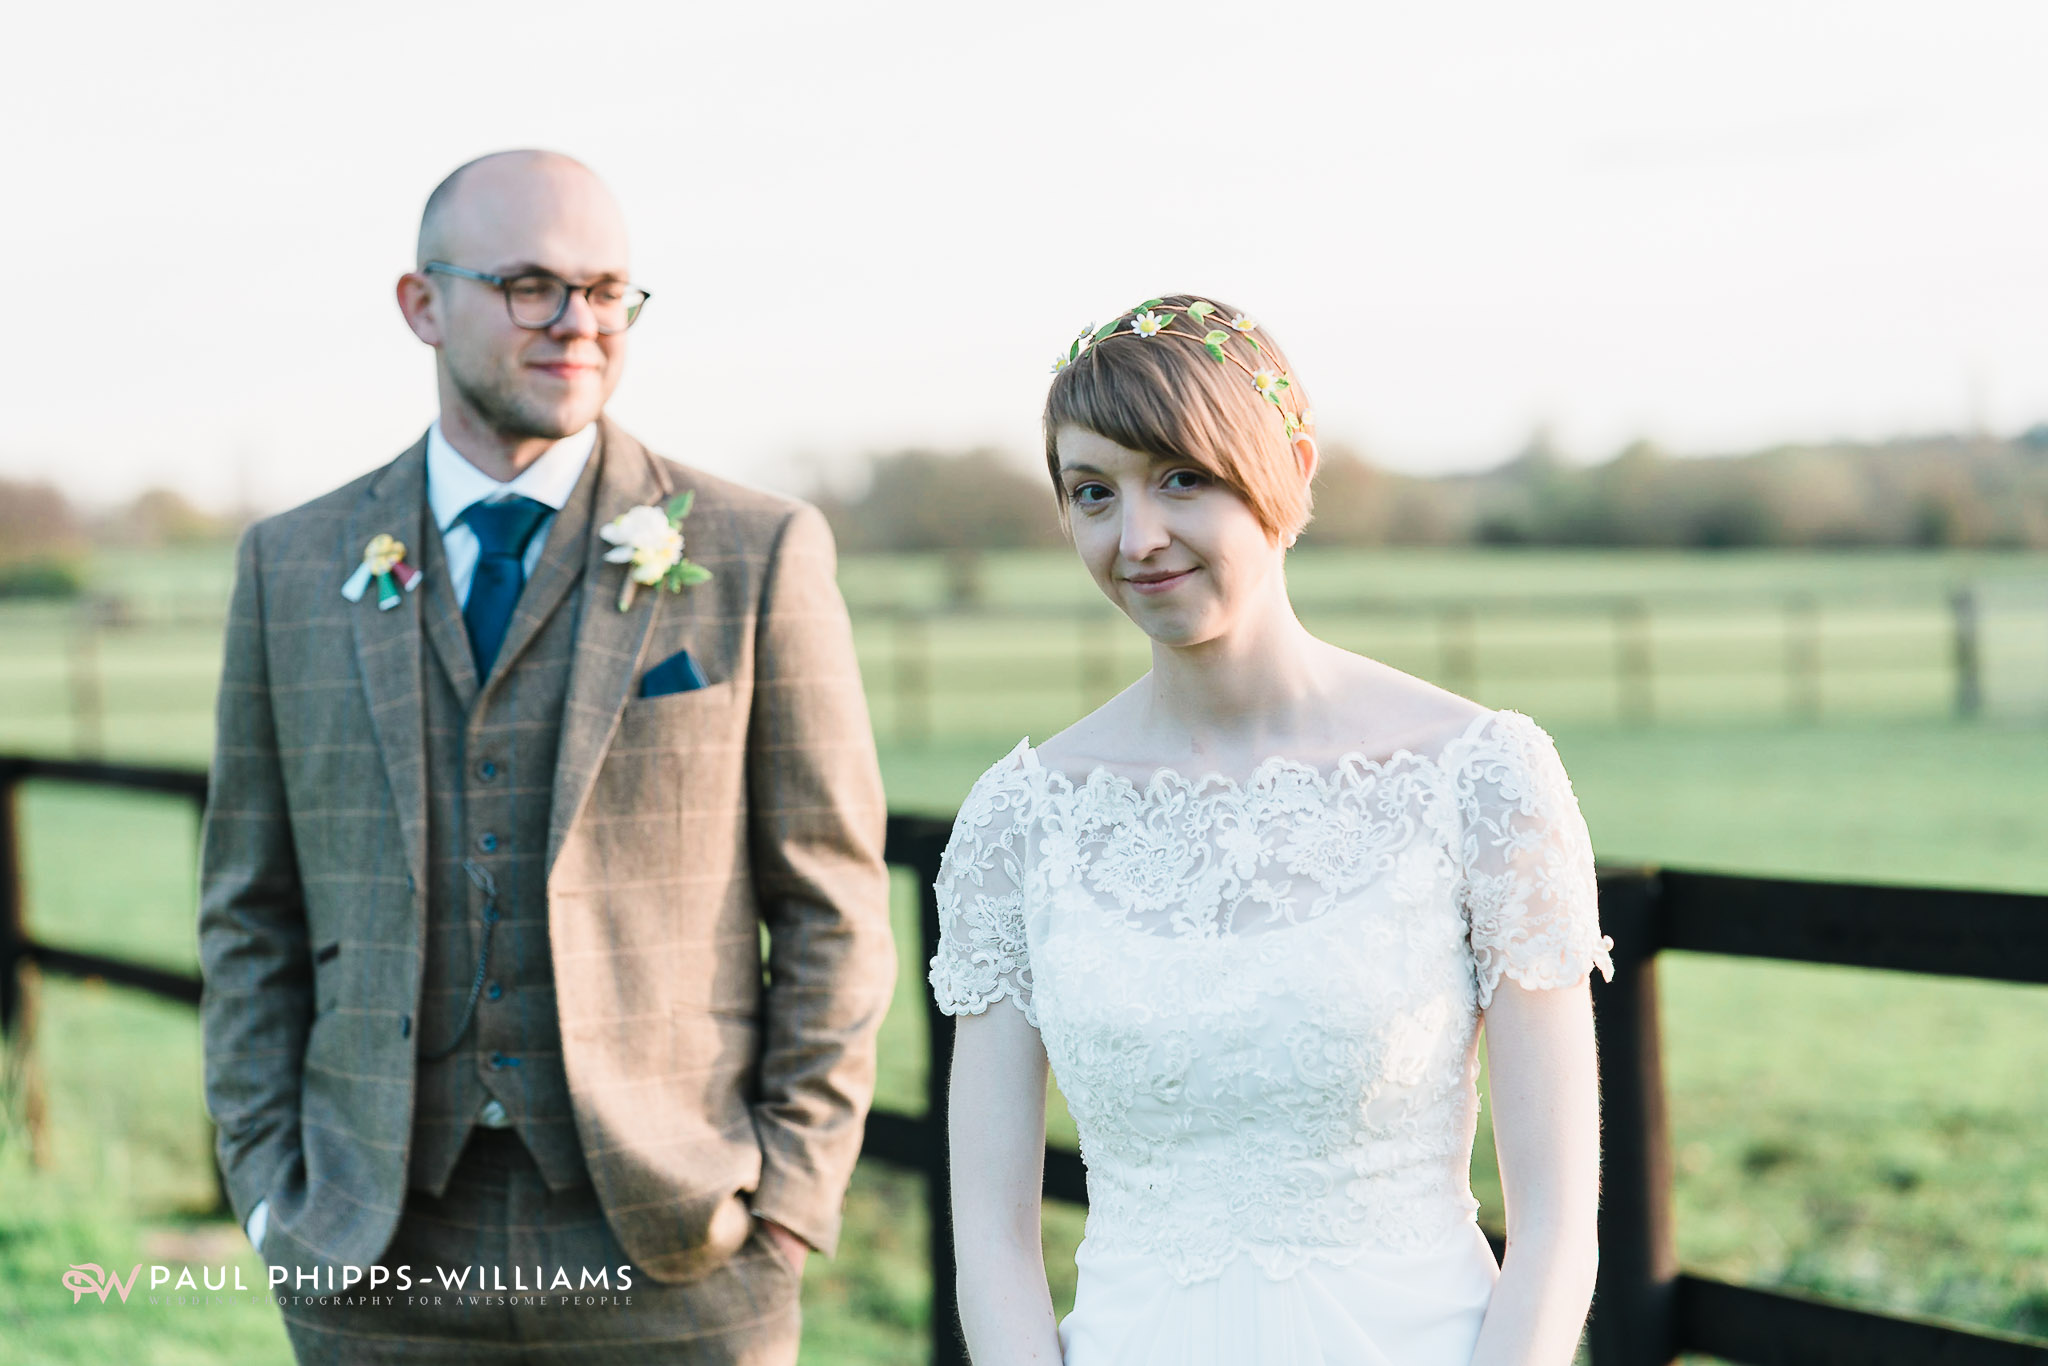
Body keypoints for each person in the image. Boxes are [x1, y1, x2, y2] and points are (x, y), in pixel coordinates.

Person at [198, 150, 896, 1365]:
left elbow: (832, 899)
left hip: (679, 1245)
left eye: (606, 287)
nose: (579, 322)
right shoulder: (291, 566)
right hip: (371, 1251)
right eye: (530, 285)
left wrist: (787, 1197)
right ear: (422, 304)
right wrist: (269, 1189)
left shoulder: (755, 553)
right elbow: (249, 910)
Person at [929, 294, 1613, 1365]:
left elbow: (1558, 1227)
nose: (1136, 537)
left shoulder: (1480, 776)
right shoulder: (1020, 820)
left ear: (1290, 466)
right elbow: (991, 1242)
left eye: (1180, 478)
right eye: (1092, 493)